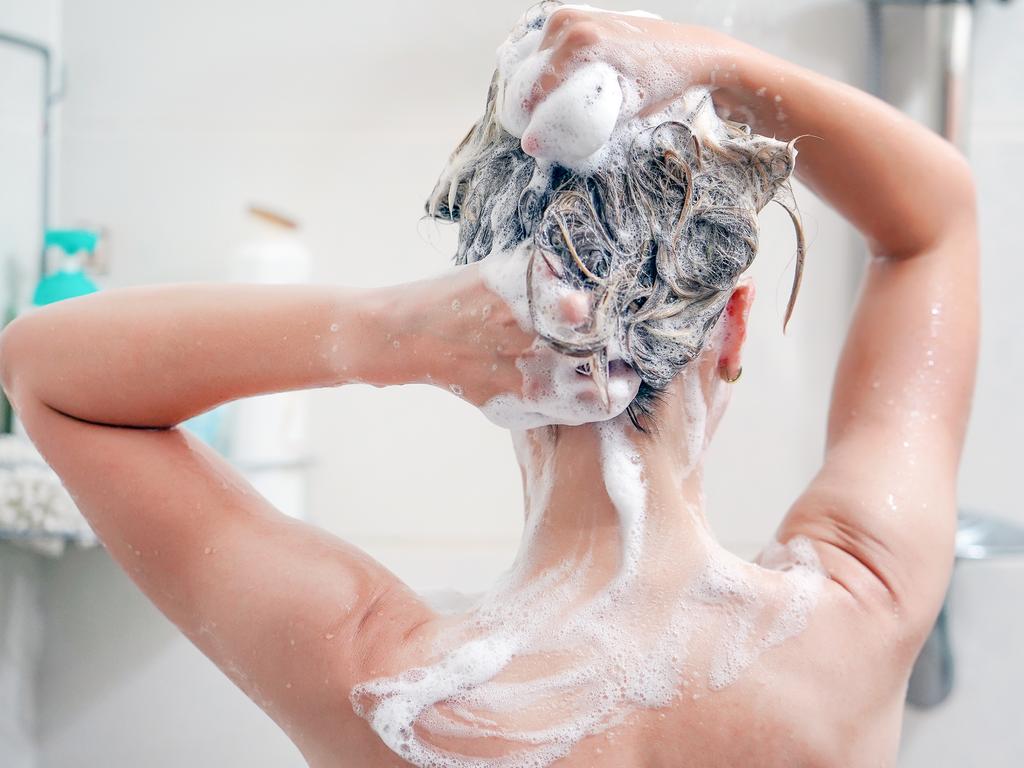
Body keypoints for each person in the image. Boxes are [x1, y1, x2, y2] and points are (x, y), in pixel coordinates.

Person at [0, 5, 977, 767]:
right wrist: (712, 61)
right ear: (730, 327)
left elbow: (46, 368)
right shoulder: (859, 611)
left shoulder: (391, 692)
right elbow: (936, 219)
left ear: (480, 314)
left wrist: (383, 334)